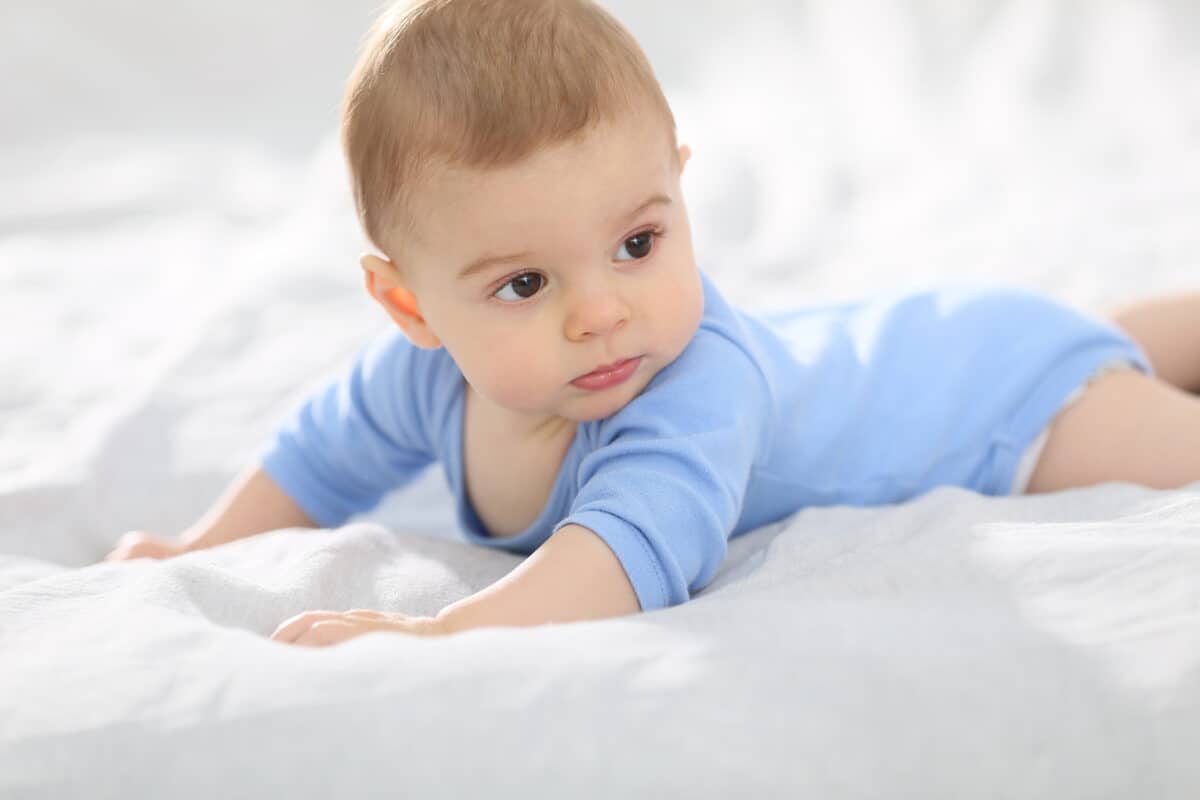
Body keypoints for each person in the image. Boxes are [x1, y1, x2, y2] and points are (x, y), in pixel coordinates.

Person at [103, 0, 1200, 647]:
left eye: (639, 243)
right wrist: (203, 547)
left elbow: (622, 561)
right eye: (524, 284)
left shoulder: (692, 385)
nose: (603, 312)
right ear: (410, 305)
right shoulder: (428, 381)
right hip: (930, 341)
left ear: (678, 190)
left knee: (1125, 401)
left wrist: (436, 637)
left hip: (1003, 403)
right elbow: (318, 449)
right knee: (1092, 331)